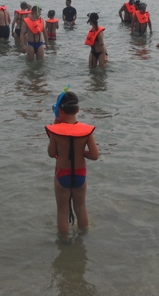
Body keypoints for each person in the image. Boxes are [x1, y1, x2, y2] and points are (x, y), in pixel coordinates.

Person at [45, 89, 99, 237]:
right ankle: (84, 237)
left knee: (62, 210)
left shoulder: (55, 131)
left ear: (59, 110)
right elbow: (95, 155)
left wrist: (54, 131)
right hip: (80, 175)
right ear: (78, 109)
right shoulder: (86, 131)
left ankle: (64, 242)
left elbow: (51, 154)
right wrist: (80, 152)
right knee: (80, 207)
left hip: (62, 175)